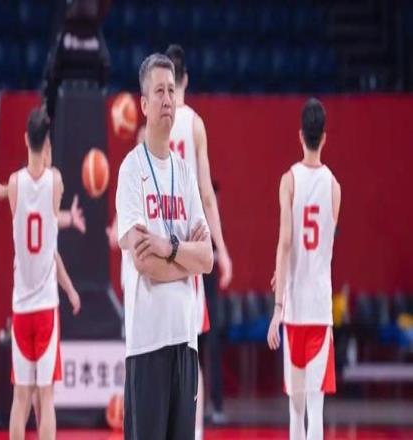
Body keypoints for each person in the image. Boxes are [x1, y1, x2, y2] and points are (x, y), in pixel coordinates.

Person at [116, 53, 213, 439]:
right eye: (159, 91)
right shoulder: (131, 169)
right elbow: (144, 263)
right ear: (143, 104)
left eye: (172, 90)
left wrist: (167, 246)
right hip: (148, 343)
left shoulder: (185, 174)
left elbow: (207, 259)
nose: (168, 99)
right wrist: (186, 259)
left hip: (185, 340)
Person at [0, 120, 83, 429]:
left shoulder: (15, 183)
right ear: (47, 144)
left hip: (21, 308)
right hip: (45, 309)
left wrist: (4, 191)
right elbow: (49, 217)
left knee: (21, 398)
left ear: (26, 138)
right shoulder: (56, 181)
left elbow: (26, 200)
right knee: (46, 397)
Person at [166, 43, 232, 436]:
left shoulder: (153, 124)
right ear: (186, 79)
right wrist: (221, 249)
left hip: (160, 251)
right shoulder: (194, 124)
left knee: (161, 354)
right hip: (189, 250)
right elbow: (207, 195)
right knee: (191, 353)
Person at [267, 98, 341, 440]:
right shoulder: (335, 187)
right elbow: (322, 247)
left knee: (295, 410)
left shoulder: (288, 180)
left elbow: (286, 243)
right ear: (324, 137)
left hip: (294, 308)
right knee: (316, 409)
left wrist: (277, 307)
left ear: (301, 135)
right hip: (320, 308)